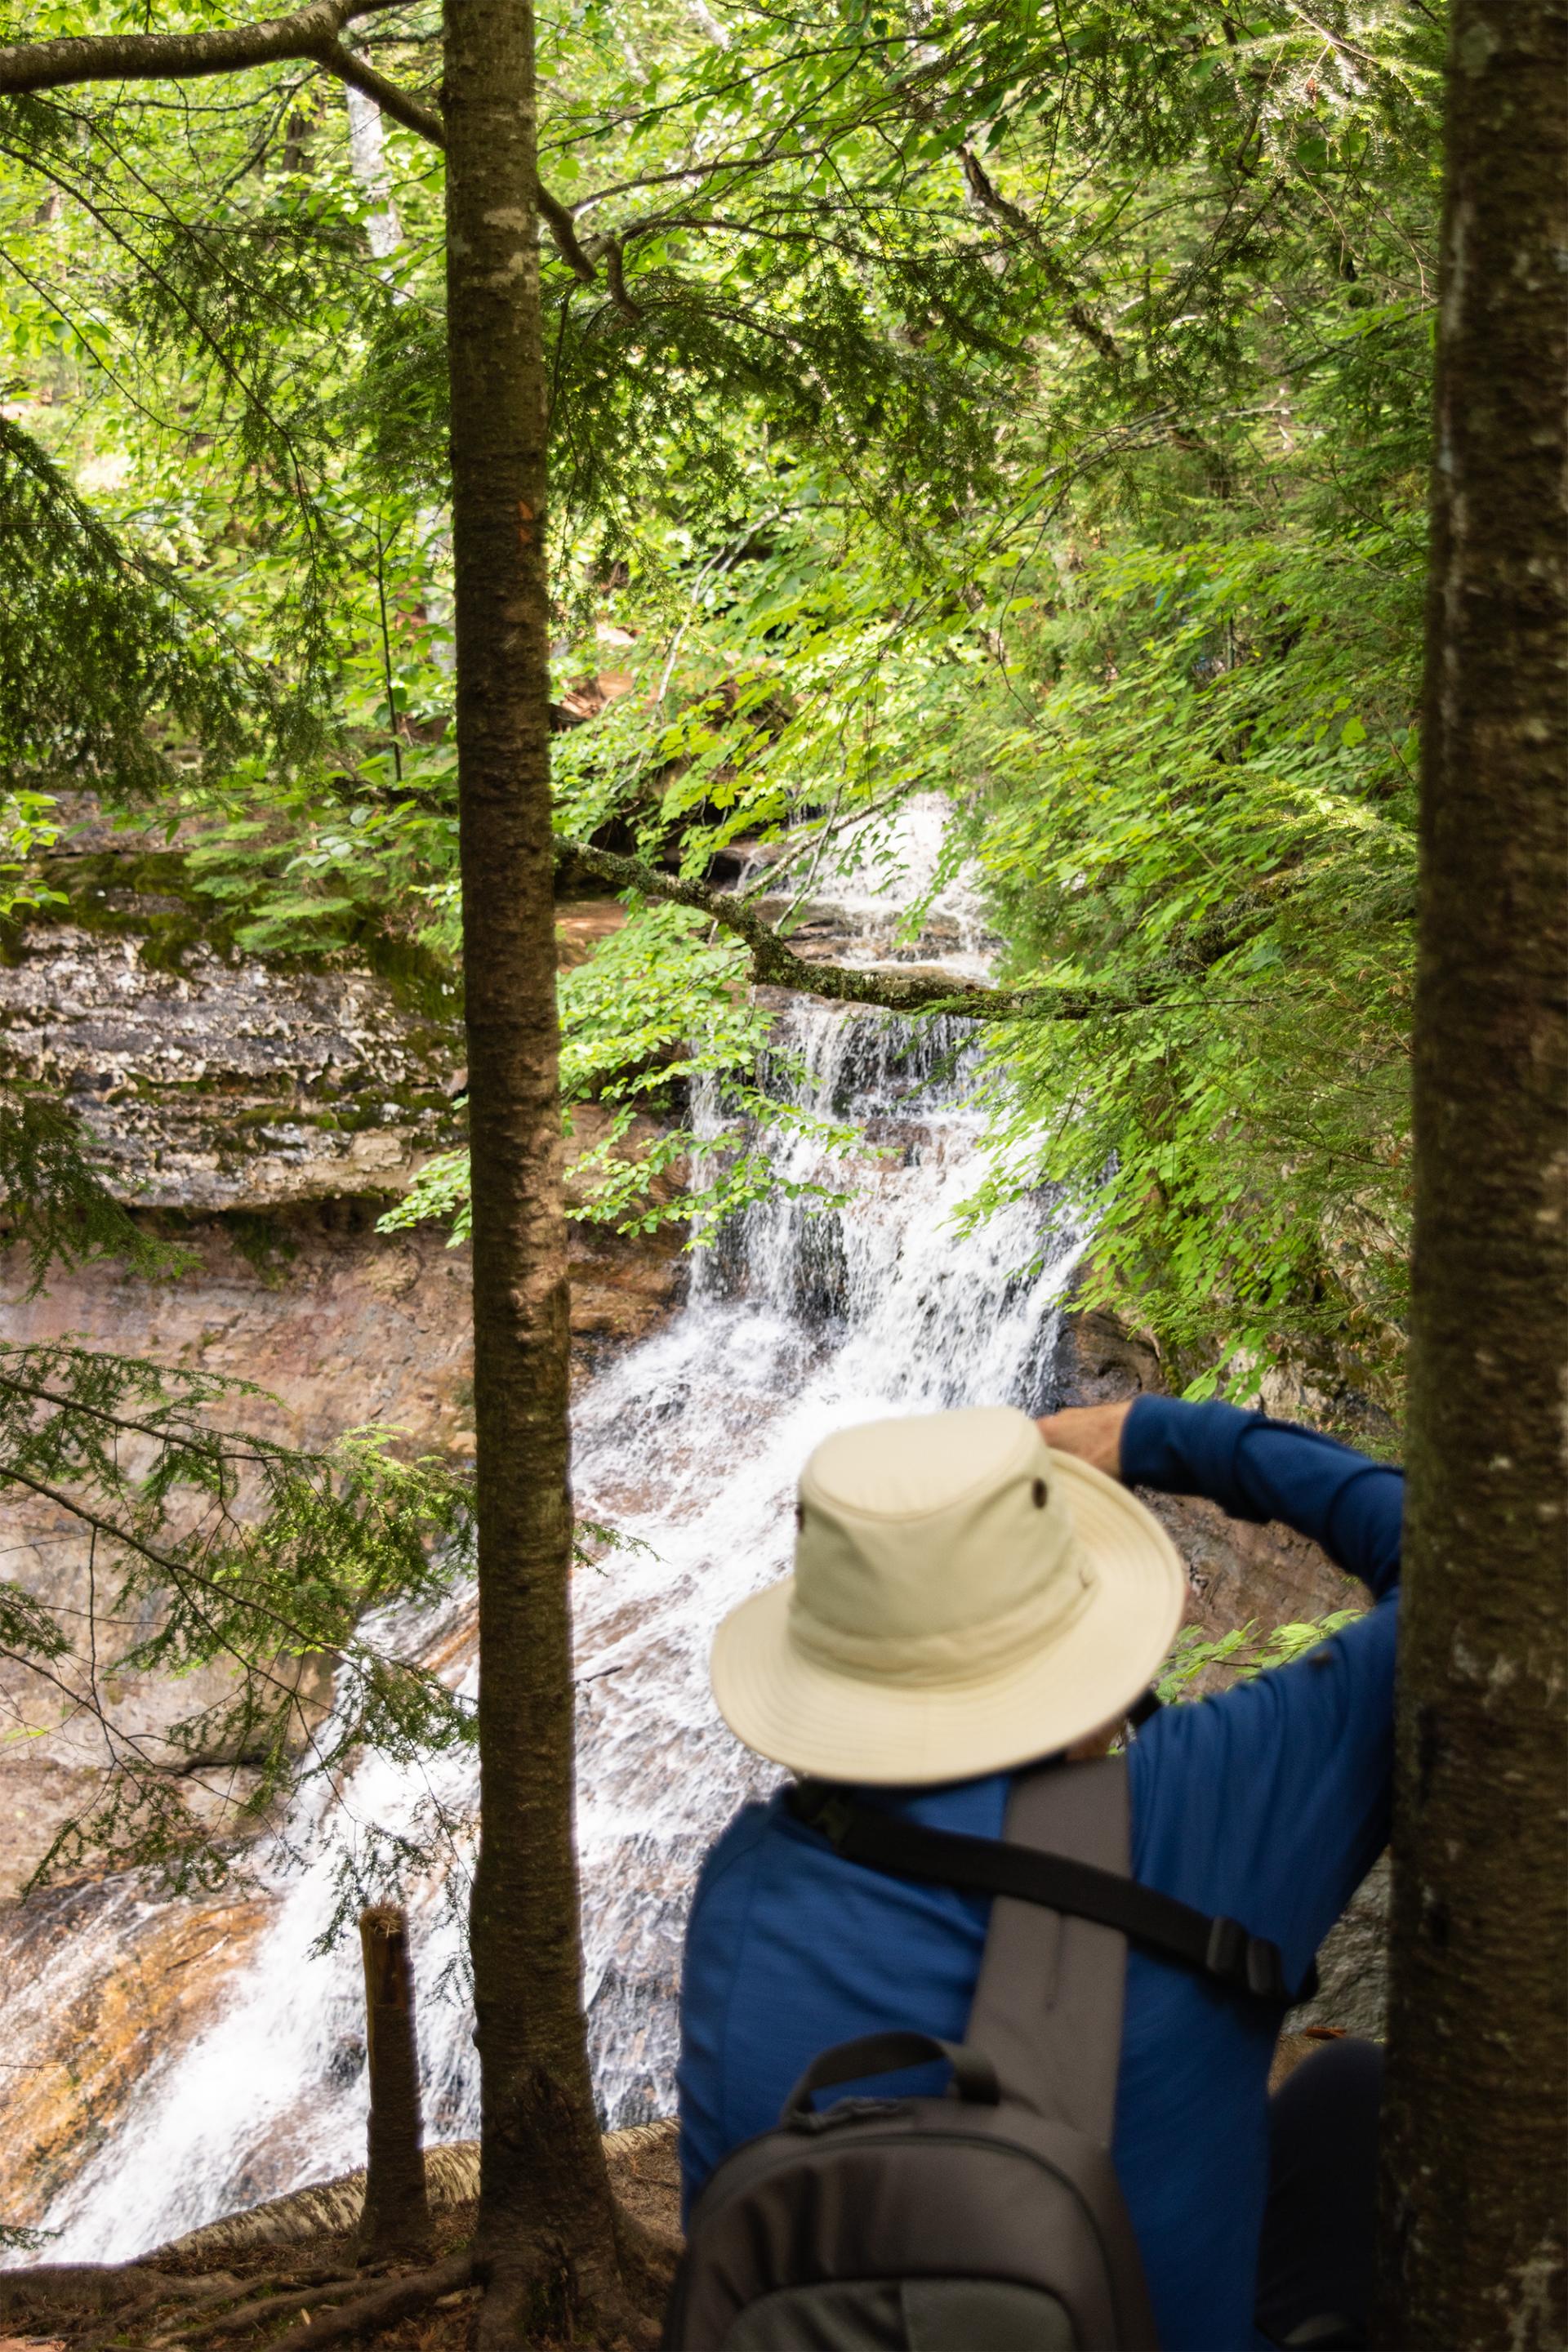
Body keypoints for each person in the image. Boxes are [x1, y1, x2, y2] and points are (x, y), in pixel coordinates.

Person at [676, 1392, 1401, 2352]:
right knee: (1352, 2102)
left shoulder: (741, 1879)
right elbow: (1493, 1573)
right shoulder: (1195, 1810)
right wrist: (1148, 1434)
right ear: (1082, 1651)